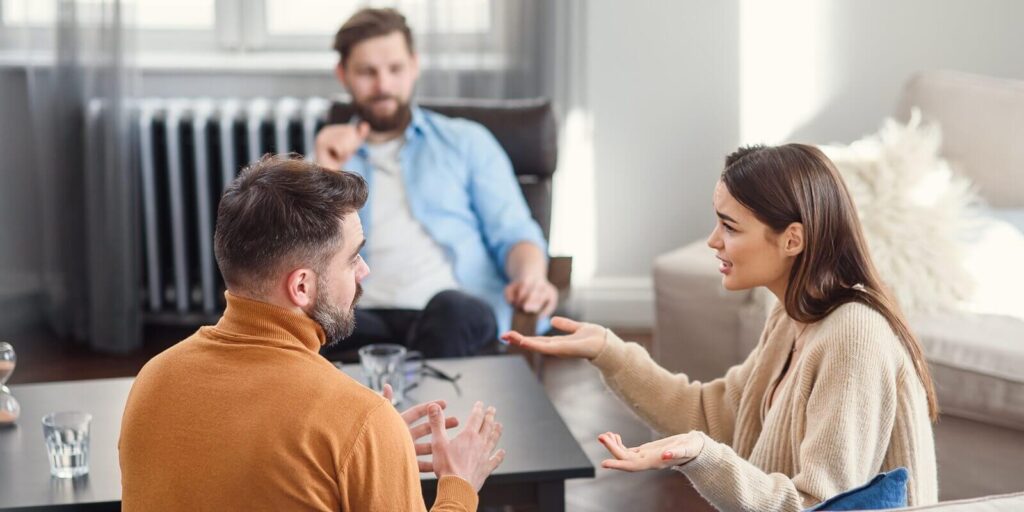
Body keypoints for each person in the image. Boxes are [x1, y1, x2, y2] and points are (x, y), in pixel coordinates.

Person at [503, 144, 939, 510]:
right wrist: (608, 350)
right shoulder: (794, 314)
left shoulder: (853, 337)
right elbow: (716, 416)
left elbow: (817, 506)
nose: (713, 241)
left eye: (729, 226)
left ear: (793, 239)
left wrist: (701, 456)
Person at [119, 155, 505, 511]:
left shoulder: (152, 379)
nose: (364, 270)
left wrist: (365, 455)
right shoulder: (360, 420)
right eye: (353, 257)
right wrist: (458, 485)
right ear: (301, 286)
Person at [315, 7, 556, 358]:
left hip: (452, 311)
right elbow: (314, 264)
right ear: (343, 75)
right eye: (368, 72)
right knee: (323, 329)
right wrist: (327, 173)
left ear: (414, 66)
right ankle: (402, 401)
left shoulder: (466, 142)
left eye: (395, 69)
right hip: (364, 315)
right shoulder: (328, 156)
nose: (383, 86)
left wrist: (531, 277)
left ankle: (407, 400)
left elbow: (515, 234)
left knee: (451, 311)